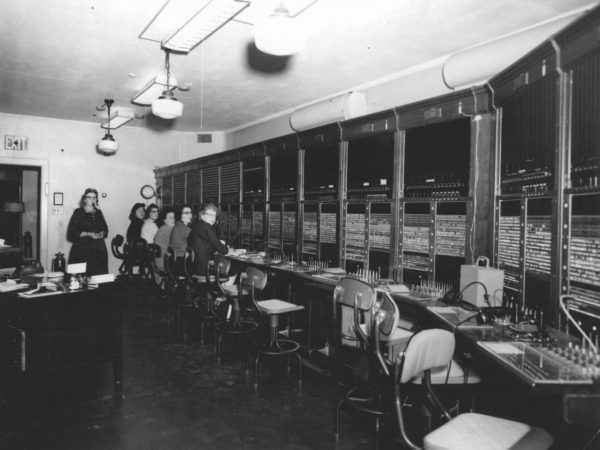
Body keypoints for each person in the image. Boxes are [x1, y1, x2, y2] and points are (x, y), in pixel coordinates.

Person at [66, 188, 108, 275]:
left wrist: (102, 233)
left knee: (98, 277)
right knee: (80, 278)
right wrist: (89, 234)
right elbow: (71, 233)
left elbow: (105, 229)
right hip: (82, 250)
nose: (92, 199)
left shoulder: (98, 213)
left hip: (98, 250)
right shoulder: (78, 212)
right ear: (84, 199)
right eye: (89, 197)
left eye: (94, 197)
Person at [188, 203, 229, 277]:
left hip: (194, 265)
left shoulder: (195, 225)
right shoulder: (207, 227)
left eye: (214, 215)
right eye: (209, 215)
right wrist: (227, 249)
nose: (212, 218)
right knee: (232, 270)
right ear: (202, 215)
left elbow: (203, 244)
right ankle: (221, 288)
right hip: (205, 267)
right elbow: (223, 250)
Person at [153, 206, 175, 271]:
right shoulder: (168, 229)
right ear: (165, 220)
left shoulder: (162, 227)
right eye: (170, 217)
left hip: (158, 261)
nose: (173, 219)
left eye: (174, 217)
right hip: (164, 262)